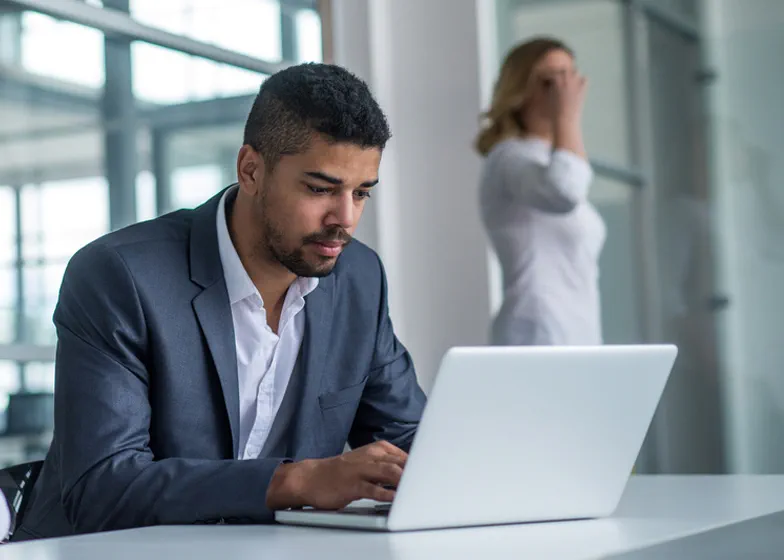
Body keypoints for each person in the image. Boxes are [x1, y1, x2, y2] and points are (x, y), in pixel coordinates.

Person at [13, 63, 427, 541]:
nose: (345, 219)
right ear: (251, 170)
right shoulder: (118, 277)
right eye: (320, 189)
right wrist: (297, 480)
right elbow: (103, 489)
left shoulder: (358, 277)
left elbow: (412, 441)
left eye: (361, 193)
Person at [475, 37, 606, 346]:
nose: (565, 89)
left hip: (580, 334)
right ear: (520, 90)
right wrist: (568, 118)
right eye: (552, 79)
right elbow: (565, 190)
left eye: (570, 76)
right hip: (537, 333)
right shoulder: (509, 157)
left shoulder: (550, 158)